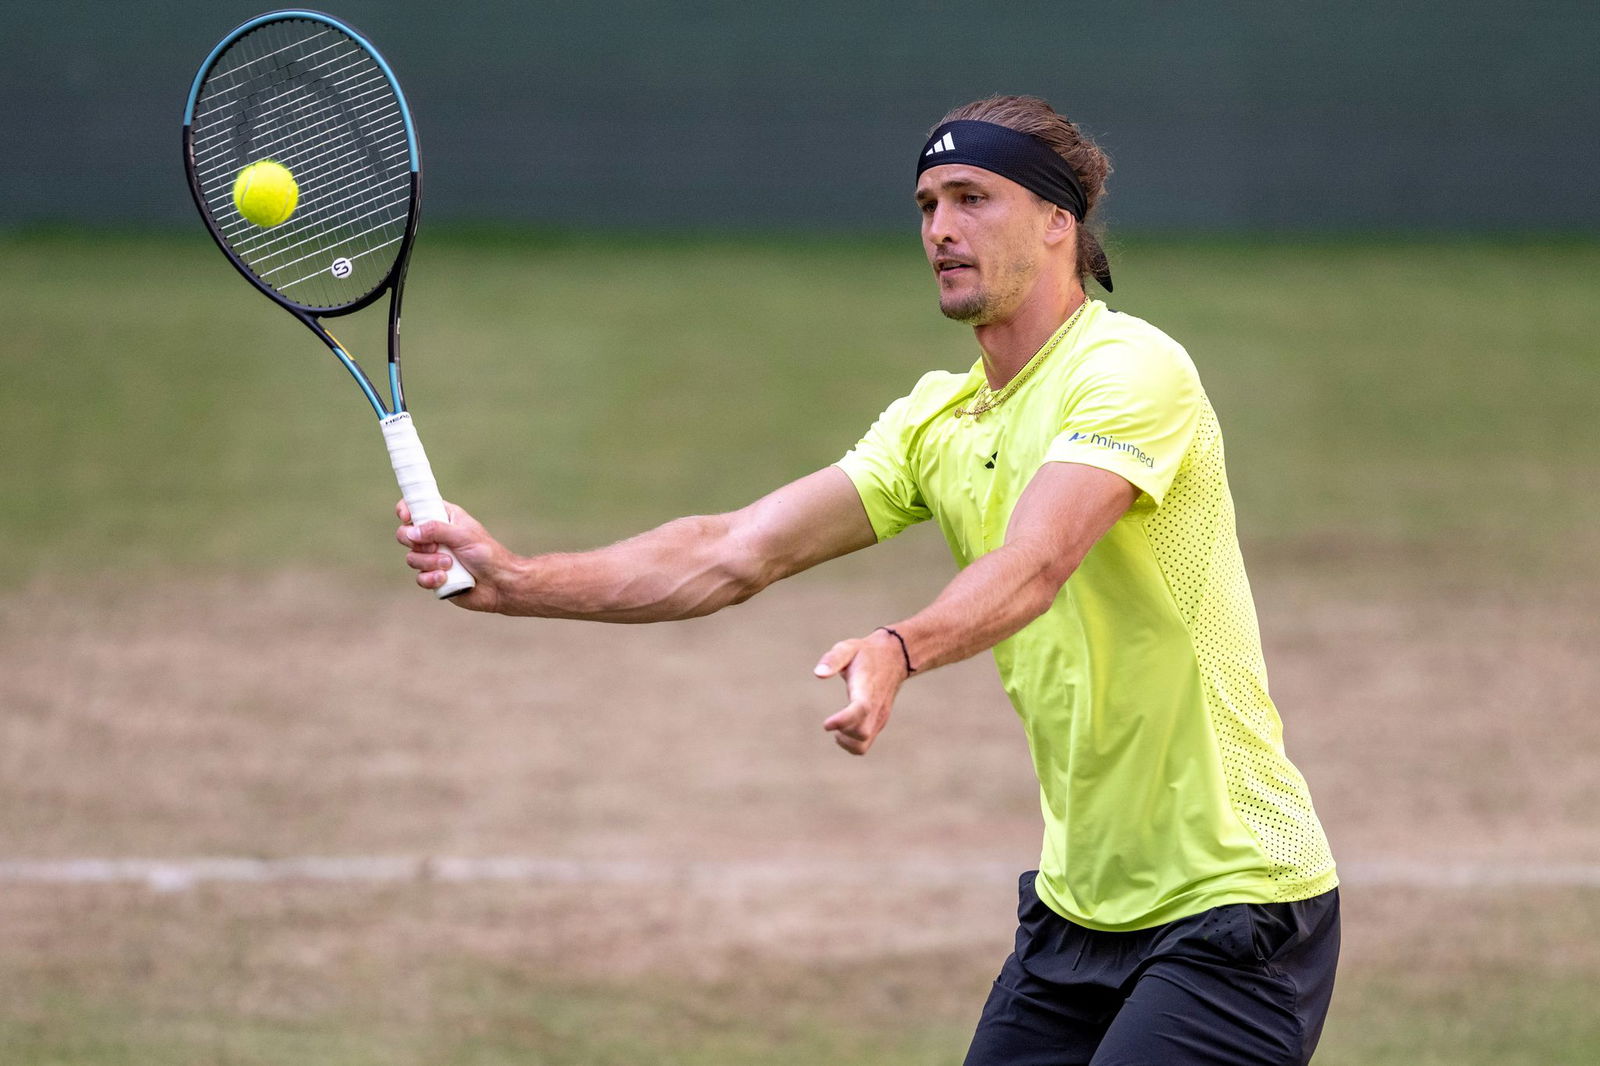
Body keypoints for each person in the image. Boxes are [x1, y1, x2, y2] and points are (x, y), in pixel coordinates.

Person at [397, 94, 1340, 1065]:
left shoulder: (1130, 368)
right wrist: (514, 580)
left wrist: (900, 648)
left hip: (1238, 908)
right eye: (927, 204)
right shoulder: (939, 420)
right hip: (1078, 911)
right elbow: (729, 550)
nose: (939, 228)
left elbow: (1037, 561)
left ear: (1059, 221)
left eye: (972, 197)